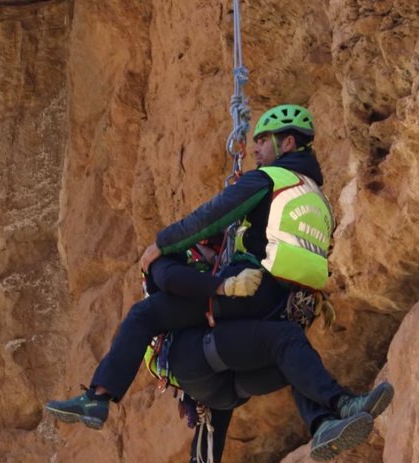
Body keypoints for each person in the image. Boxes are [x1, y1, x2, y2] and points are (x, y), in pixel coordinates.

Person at [46, 104, 332, 429]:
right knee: (281, 348)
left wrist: (162, 244)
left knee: (147, 314)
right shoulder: (317, 200)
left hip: (251, 288)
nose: (255, 148)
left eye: (263, 140)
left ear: (288, 144)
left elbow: (210, 217)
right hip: (291, 304)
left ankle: (98, 398)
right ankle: (327, 415)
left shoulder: (270, 179)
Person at [157, 319, 394, 463]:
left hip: (213, 372)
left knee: (292, 361)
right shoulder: (184, 263)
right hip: (210, 349)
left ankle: (323, 425)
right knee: (286, 337)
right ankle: (341, 404)